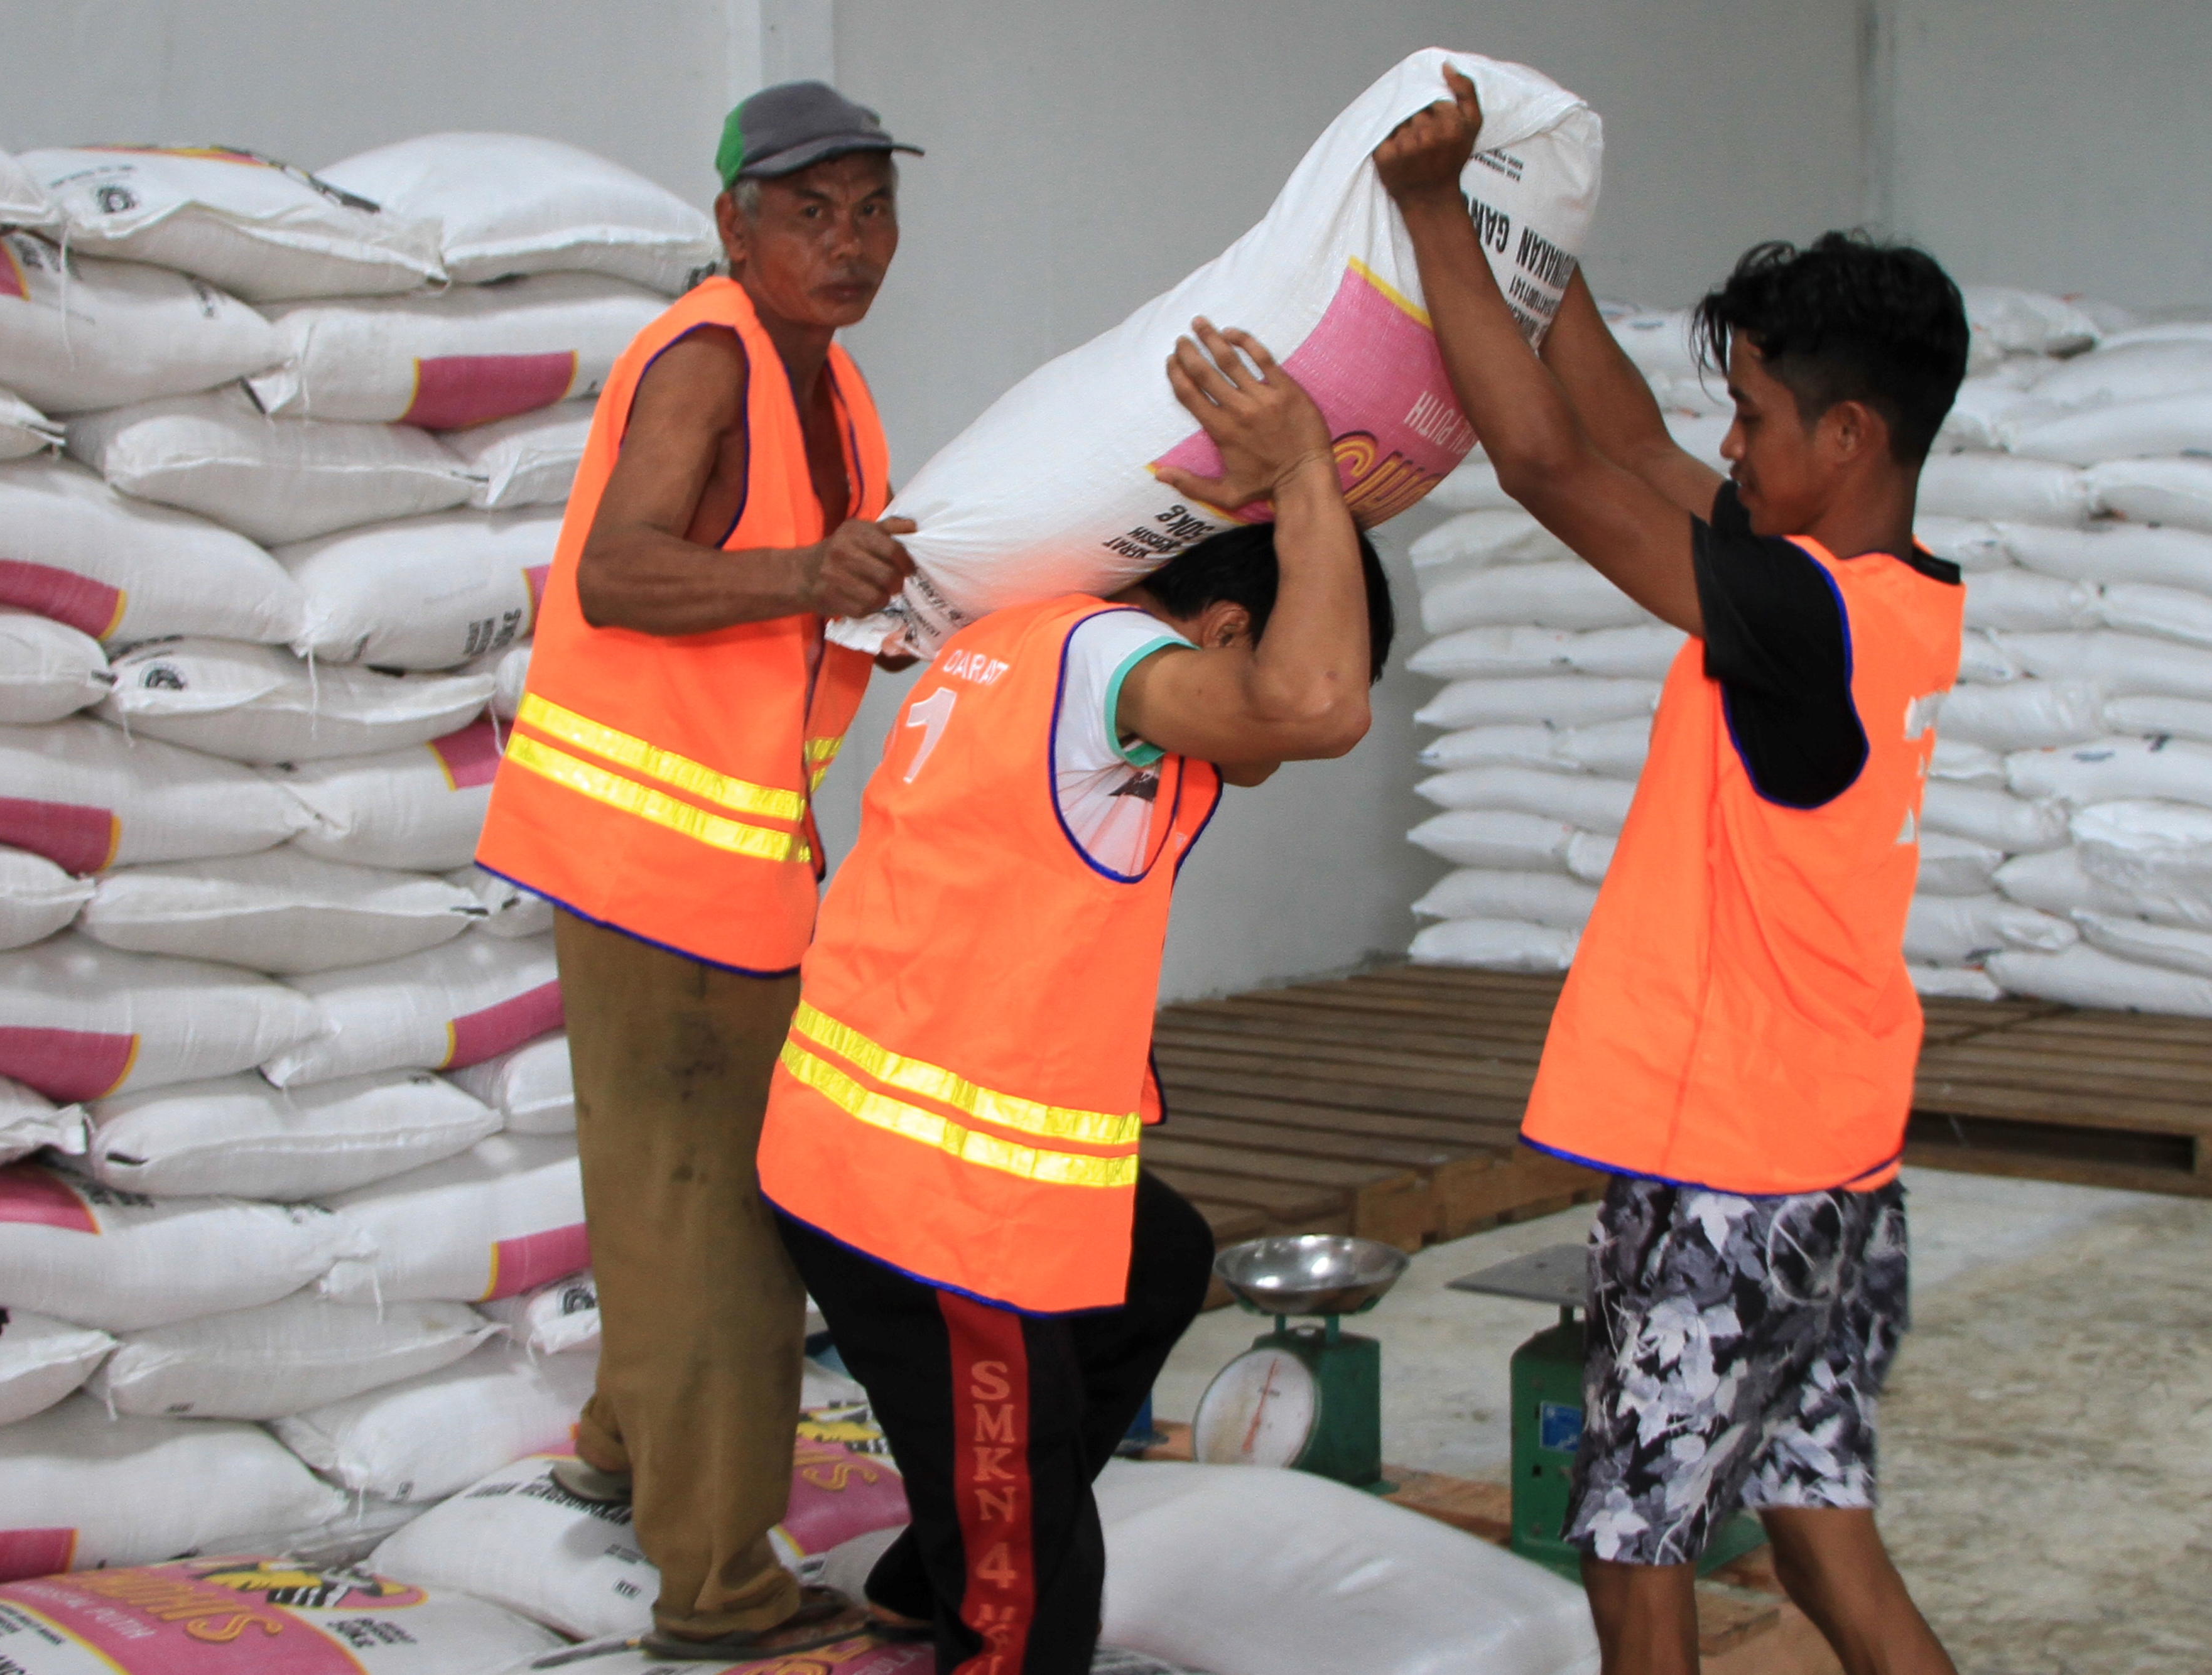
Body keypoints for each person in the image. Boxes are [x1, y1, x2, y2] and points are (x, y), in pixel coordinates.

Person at [1374, 71, 1965, 1675]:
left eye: (1756, 417)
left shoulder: (1794, 622)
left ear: (1846, 437)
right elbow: (1629, 436)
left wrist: (1431, 219)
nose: (1725, 439)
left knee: (1637, 1562)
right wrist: (1532, 253)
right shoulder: (1882, 597)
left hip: (1730, 1173)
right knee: (1822, 1539)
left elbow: (1554, 469)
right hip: (1834, 1162)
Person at [755, 317, 1395, 1675]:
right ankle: (980, 1572)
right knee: (1037, 1593)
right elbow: (1317, 700)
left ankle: (942, 1551)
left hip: (853, 1150)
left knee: (1155, 1255)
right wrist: (1301, 474)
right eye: (1253, 658)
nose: (1279, 753)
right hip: (935, 1207)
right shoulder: (1109, 666)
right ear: (1221, 628)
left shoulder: (1026, 640)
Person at [474, 80, 924, 1660]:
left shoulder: (836, 383)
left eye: (870, 208)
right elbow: (618, 566)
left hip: (735, 867)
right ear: (734, 223)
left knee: (680, 1198)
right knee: (712, 1228)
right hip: (651, 869)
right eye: (810, 210)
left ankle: (616, 1443)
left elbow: (809, 609)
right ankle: (715, 1586)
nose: (848, 240)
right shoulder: (711, 356)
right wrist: (810, 571)